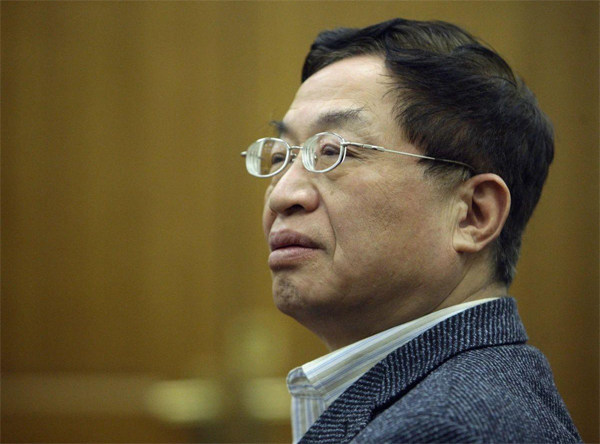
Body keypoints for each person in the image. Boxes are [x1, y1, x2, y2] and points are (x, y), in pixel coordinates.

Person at [242, 18, 581, 443]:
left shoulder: (445, 430)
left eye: (332, 151)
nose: (281, 195)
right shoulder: (479, 392)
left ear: (473, 215)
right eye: (280, 157)